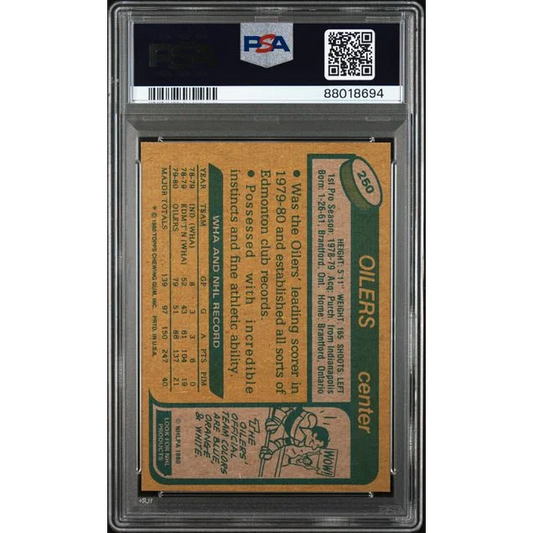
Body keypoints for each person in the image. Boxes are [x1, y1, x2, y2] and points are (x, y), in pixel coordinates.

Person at [259, 407, 330, 461]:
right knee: (272, 427)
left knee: (272, 428)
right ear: (315, 435)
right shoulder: (310, 419)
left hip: (277, 417)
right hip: (282, 407)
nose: (313, 448)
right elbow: (292, 405)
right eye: (317, 445)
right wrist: (277, 420)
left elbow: (284, 441)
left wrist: (271, 449)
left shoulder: (300, 442)